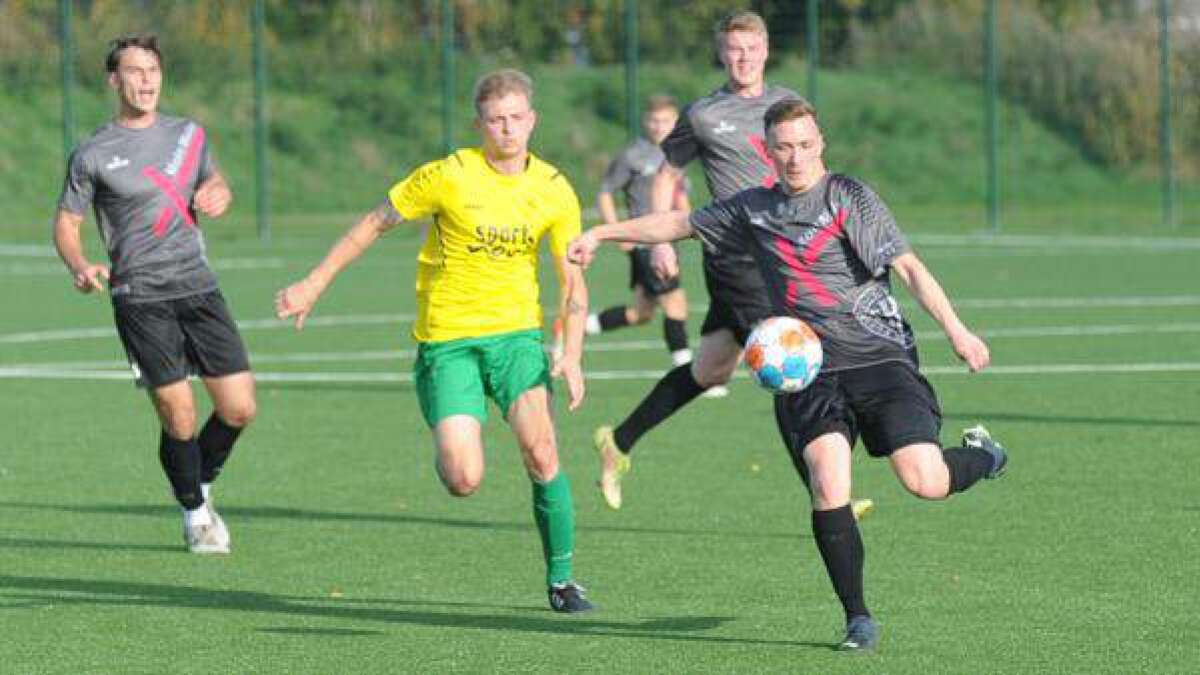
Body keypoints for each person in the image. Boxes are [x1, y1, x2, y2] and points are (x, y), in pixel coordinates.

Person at [568, 97, 1008, 652]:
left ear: (820, 143)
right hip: (812, 369)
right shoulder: (751, 207)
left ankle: (984, 455)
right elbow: (676, 222)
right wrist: (602, 235)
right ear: (768, 151)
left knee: (925, 481)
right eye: (784, 148)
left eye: (805, 145)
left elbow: (910, 268)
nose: (796, 157)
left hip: (880, 359)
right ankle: (858, 619)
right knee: (827, 480)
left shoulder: (849, 196)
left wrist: (958, 331)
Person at [275, 69, 594, 613]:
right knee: (463, 478)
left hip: (517, 339)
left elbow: (572, 282)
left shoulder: (555, 190)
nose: (508, 129)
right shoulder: (449, 175)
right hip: (448, 343)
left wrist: (573, 353)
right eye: (496, 120)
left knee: (542, 452)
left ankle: (562, 580)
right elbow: (374, 223)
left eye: (517, 118)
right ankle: (446, 418)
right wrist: (314, 282)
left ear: (533, 120)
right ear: (480, 124)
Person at [591, 10, 873, 520]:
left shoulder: (786, 105)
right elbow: (664, 173)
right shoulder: (702, 113)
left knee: (709, 367)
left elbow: (811, 165)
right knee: (790, 363)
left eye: (751, 48)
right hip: (736, 258)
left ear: (765, 50)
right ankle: (831, 496)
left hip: (784, 256)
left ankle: (618, 440)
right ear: (721, 52)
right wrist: (662, 239)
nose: (742, 58)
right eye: (732, 49)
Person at [52, 35, 256, 555]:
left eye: (153, 71)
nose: (146, 81)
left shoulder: (189, 134)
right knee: (178, 413)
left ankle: (195, 480)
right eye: (134, 71)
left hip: (199, 286)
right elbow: (67, 223)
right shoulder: (93, 153)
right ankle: (194, 514)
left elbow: (215, 184)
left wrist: (220, 194)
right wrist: (79, 264)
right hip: (140, 295)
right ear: (114, 81)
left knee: (238, 408)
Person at [582, 94, 693, 368]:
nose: (659, 126)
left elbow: (680, 198)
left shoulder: (679, 153)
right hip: (646, 241)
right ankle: (690, 375)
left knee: (641, 313)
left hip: (670, 240)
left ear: (675, 122)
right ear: (646, 122)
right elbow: (606, 193)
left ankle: (579, 325)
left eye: (666, 120)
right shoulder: (632, 155)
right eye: (654, 120)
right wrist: (617, 234)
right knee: (675, 304)